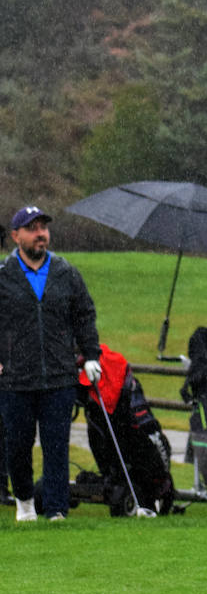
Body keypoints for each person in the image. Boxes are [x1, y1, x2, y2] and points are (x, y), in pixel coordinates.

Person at [0, 206, 102, 522]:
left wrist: (92, 356)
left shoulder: (65, 272)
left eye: (43, 227)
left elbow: (84, 315)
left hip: (59, 375)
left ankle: (57, 509)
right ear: (16, 236)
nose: (40, 233)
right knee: (17, 446)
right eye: (32, 228)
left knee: (56, 446)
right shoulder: (4, 276)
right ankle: (25, 502)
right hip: (16, 377)